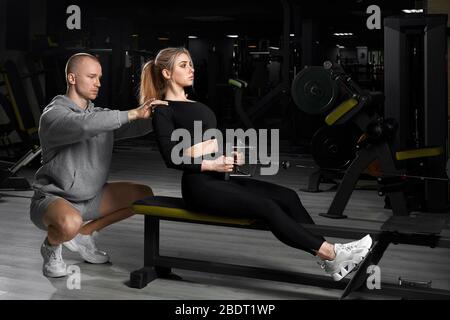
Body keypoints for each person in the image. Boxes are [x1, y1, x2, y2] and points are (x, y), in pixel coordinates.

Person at [140, 47, 372, 282]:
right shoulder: (163, 110)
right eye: (183, 65)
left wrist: (228, 153)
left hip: (220, 179)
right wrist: (212, 159)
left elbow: (208, 144)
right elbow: (171, 157)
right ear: (166, 74)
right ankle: (332, 253)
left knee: (288, 197)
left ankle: (329, 259)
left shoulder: (193, 103)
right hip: (199, 187)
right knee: (268, 207)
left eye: (190, 64)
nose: (191, 69)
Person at [30, 53, 168, 278]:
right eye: (92, 76)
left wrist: (159, 114)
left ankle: (85, 234)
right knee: (69, 223)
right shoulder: (53, 115)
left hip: (92, 198)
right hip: (54, 201)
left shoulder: (99, 115)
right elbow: (83, 126)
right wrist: (131, 113)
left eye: (100, 77)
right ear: (72, 78)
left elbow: (133, 126)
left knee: (143, 196)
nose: (98, 83)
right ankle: (51, 247)